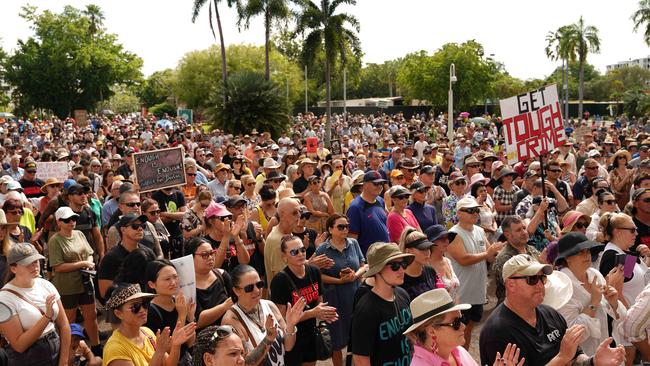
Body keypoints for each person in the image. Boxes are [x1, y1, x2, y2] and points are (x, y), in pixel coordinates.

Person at [479, 254, 626, 366]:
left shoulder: (550, 313)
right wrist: (561, 357)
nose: (540, 285)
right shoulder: (497, 332)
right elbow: (566, 356)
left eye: (542, 278)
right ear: (511, 285)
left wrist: (594, 361)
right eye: (532, 279)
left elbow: (574, 357)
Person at [404, 288, 524, 366]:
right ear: (432, 331)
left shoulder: (458, 351)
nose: (463, 326)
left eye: (461, 319)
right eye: (455, 323)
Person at [270, 235, 338, 366]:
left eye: (302, 250)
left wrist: (326, 313)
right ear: (284, 257)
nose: (300, 254)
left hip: (311, 334)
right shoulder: (280, 281)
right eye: (294, 252)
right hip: (292, 338)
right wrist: (313, 313)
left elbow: (319, 302)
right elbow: (282, 318)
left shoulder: (314, 271)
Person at [555, 232, 626, 357]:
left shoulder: (594, 274)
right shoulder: (562, 286)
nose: (587, 255)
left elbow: (620, 317)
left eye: (588, 251)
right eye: (580, 252)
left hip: (610, 350)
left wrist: (613, 302)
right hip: (585, 358)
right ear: (567, 258)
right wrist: (594, 302)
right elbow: (573, 336)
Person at [447, 196, 505, 348]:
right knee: (459, 331)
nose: (475, 213)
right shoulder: (454, 233)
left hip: (477, 290)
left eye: (476, 210)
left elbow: (490, 255)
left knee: (469, 329)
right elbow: (463, 259)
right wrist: (488, 254)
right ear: (459, 213)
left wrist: (500, 251)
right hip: (462, 292)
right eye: (470, 210)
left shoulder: (479, 231)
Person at [0, 242, 71, 365]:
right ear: (13, 268)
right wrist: (47, 316)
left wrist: (64, 361)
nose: (35, 266)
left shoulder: (46, 284)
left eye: (36, 261)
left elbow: (64, 325)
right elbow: (19, 345)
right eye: (28, 263)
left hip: (55, 351)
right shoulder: (4, 299)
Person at [222, 264, 306, 366]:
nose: (257, 290)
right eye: (249, 288)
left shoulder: (270, 306)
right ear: (236, 291)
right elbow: (244, 363)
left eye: (259, 284)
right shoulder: (231, 319)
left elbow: (288, 346)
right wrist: (268, 338)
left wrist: (291, 325)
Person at [351, 242, 414, 366]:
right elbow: (360, 359)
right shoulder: (366, 309)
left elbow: (411, 338)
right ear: (378, 269)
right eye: (395, 265)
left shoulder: (403, 294)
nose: (402, 269)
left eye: (403, 264)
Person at [314, 214, 365, 366]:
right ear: (330, 229)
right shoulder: (323, 249)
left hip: (356, 296)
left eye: (347, 227)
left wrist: (354, 275)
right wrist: (339, 280)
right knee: (336, 340)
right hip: (335, 297)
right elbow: (318, 275)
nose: (345, 230)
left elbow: (364, 265)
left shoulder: (354, 243)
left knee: (359, 336)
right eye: (340, 227)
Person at [103, 283, 196, 366]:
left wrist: (176, 345)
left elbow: (168, 364)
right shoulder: (115, 349)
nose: (142, 310)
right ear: (118, 313)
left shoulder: (147, 332)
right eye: (135, 307)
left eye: (145, 304)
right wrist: (159, 352)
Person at [48, 207, 100, 353]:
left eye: (74, 219)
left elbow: (89, 253)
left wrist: (89, 262)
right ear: (59, 222)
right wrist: (83, 264)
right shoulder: (55, 241)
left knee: (92, 315)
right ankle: (67, 351)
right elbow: (57, 267)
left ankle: (96, 347)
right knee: (68, 320)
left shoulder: (79, 234)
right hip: (67, 286)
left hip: (85, 282)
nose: (72, 222)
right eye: (67, 220)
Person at [145, 260, 196, 365]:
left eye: (175, 277)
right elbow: (166, 351)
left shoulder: (178, 302)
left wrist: (190, 317)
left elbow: (190, 343)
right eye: (167, 279)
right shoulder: (150, 312)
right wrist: (182, 315)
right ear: (152, 284)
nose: (173, 282)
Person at [187, 237, 234, 330]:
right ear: (191, 258)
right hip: (205, 336)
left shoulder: (222, 275)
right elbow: (197, 321)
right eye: (204, 255)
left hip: (229, 329)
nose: (210, 257)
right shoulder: (188, 285)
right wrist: (224, 306)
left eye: (212, 253)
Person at [492, 216, 540, 303]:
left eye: (524, 228)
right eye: (518, 230)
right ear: (507, 235)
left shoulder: (531, 249)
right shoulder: (505, 258)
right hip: (514, 307)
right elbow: (516, 286)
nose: (524, 232)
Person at [347, 171, 389, 255]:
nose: (380, 186)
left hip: (385, 254)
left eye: (381, 183)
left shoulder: (380, 200)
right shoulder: (355, 207)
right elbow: (352, 238)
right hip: (369, 258)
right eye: (375, 184)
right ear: (365, 185)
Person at [398, 226, 437, 300]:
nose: (427, 252)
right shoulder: (400, 278)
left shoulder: (431, 270)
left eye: (428, 248)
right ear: (408, 251)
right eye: (422, 249)